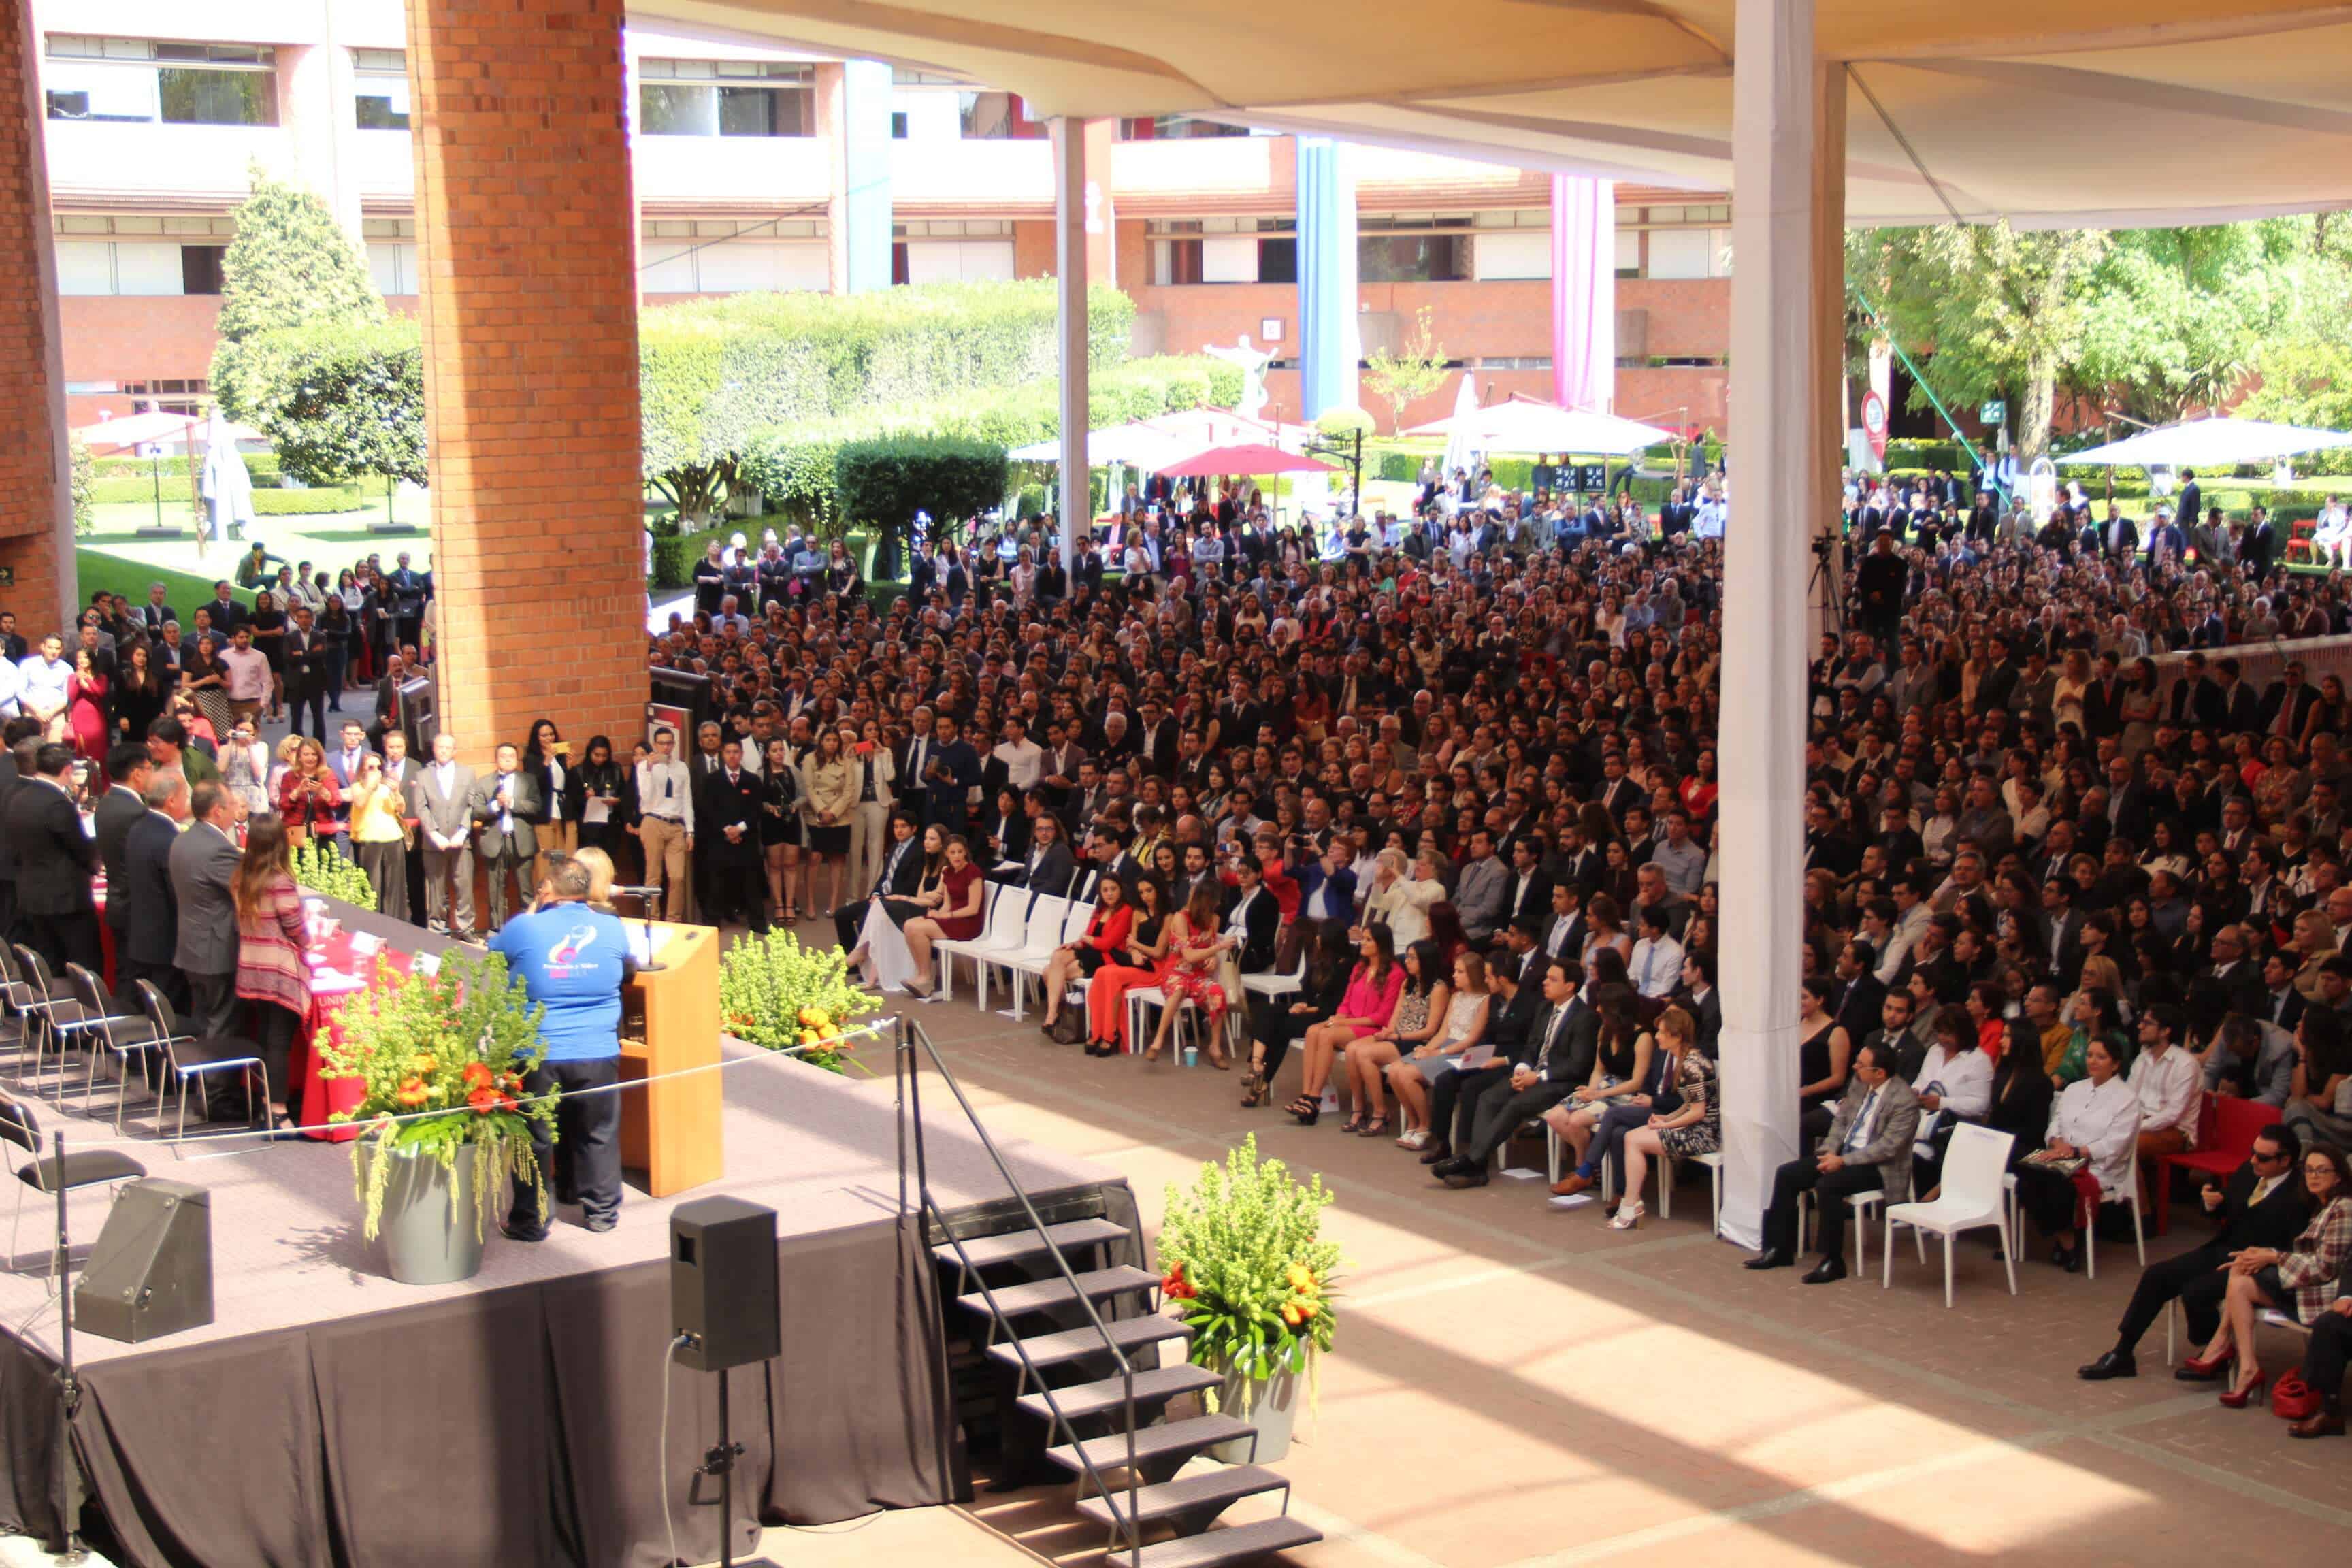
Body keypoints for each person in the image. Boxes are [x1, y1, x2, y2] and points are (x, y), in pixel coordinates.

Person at [2078, 1122, 2310, 1380]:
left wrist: (2263, 1257)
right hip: (2224, 1248)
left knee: (2196, 1291)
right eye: (2253, 1152)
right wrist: (2213, 1203)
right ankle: (2122, 1353)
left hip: (2255, 1265)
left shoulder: (2300, 1193)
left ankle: (2214, 1351)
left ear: (2285, 1161)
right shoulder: (2250, 1170)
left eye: (2263, 1158)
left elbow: (2296, 1246)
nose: (2254, 1160)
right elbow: (2230, 1205)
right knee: (2157, 1275)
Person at [492, 854, 634, 1237]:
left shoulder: (524, 926)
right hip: (597, 1048)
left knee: (534, 1135)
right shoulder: (611, 927)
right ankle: (602, 1214)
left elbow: (493, 958)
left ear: (548, 889)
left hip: (537, 1050)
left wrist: (533, 912)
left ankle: (532, 1219)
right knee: (598, 1132)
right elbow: (628, 969)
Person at [2178, 1144, 2352, 1409]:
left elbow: (2325, 1268)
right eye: (2309, 1170)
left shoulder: (2344, 1209)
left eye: (2322, 1171)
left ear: (2338, 1176)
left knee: (2243, 1268)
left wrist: (2273, 1257)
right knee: (2243, 1269)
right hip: (2307, 1284)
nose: (2313, 1176)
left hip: (2324, 1293)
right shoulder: (2321, 1204)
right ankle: (2245, 1365)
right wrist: (2260, 1256)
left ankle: (2225, 1349)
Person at [1747, 1041, 1921, 1284]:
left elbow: (1888, 1148)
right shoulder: (1861, 1083)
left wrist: (1843, 1161)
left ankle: (1832, 1260)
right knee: (1787, 1174)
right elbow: (1841, 1121)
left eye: (1861, 1064)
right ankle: (1778, 1249)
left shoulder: (1904, 1101)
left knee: (1829, 1185)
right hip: (1841, 1154)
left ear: (1879, 1073)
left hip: (1879, 1166)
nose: (1854, 1067)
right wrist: (1829, 1151)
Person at [1439, 953, 1595, 1184]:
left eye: (1552, 979)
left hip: (1559, 1082)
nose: (1544, 982)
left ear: (1570, 986)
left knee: (1515, 1105)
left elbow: (1578, 1064)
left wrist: (1539, 1077)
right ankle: (1478, 1168)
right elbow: (1531, 1046)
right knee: (1489, 1097)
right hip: (1533, 1074)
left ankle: (1471, 1161)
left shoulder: (1585, 1017)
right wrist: (1522, 1068)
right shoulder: (1545, 1008)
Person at [2014, 1036, 2144, 1273]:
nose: (2093, 1061)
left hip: (2097, 1165)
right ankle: (2065, 1236)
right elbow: (2056, 1123)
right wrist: (2057, 1143)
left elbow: (2115, 1145)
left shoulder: (2127, 1099)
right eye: (2090, 1055)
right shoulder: (2074, 1089)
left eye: (2101, 1057)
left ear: (2115, 1064)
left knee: (2055, 1182)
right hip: (2062, 1156)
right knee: (2023, 1170)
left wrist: (2073, 1152)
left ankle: (2067, 1242)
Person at [1601, 1004, 1718, 1230]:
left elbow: (1698, 1111)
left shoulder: (1692, 1065)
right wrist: (1665, 1120)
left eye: (1663, 1033)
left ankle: (1630, 1204)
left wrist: (1668, 1124)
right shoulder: (1686, 1059)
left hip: (1703, 1134)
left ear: (1677, 1036)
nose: (1657, 1037)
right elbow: (1688, 1104)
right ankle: (1630, 1202)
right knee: (1631, 1137)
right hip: (1693, 1126)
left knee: (1633, 1139)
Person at [229, 813, 306, 1130]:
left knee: (264, 1036)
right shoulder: (279, 881)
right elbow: (296, 928)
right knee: (278, 1042)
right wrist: (309, 942)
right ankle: (278, 1112)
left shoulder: (241, 876)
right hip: (277, 970)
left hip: (251, 965)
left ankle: (264, 1104)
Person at [7, 742, 101, 975]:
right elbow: (79, 846)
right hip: (65, 898)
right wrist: (94, 864)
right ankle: (86, 1011)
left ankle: (53, 1010)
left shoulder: (19, 797)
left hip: (33, 894)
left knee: (50, 962)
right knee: (83, 962)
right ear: (68, 770)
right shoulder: (57, 804)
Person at [169, 780, 245, 1039]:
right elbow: (247, 891)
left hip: (191, 946)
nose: (237, 810)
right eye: (233, 805)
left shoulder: (183, 839)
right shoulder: (218, 850)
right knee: (219, 1025)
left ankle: (199, 1076)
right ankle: (215, 1081)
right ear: (218, 810)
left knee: (202, 1019)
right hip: (215, 951)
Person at [118, 770, 190, 1009]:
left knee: (146, 1009)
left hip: (140, 934)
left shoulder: (137, 826)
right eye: (184, 795)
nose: (187, 801)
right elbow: (177, 893)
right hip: (164, 942)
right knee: (164, 1013)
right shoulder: (168, 839)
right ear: (171, 800)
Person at [1036, 876, 1133, 1039]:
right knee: (1058, 955)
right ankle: (1053, 1014)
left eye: (1113, 889)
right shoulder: (1100, 910)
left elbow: (1107, 944)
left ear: (1121, 890)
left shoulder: (1126, 911)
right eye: (1105, 890)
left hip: (1107, 957)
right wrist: (1075, 944)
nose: (1109, 894)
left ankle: (1056, 1013)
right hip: (1091, 950)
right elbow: (1087, 937)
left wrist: (1086, 939)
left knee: (1048, 973)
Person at [900, 833, 983, 1000]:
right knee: (909, 925)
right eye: (953, 852)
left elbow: (973, 908)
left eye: (960, 852)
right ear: (946, 853)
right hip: (951, 918)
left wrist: (947, 916)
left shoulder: (974, 873)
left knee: (919, 929)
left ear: (965, 852)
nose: (957, 856)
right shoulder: (947, 871)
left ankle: (926, 979)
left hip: (967, 922)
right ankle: (921, 974)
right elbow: (947, 902)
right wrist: (939, 914)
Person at [412, 731, 478, 940]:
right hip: (434, 843)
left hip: (461, 839)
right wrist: (433, 833)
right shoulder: (423, 776)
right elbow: (421, 808)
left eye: (448, 747)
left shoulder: (467, 774)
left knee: (464, 886)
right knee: (435, 889)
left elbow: (472, 805)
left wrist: (463, 830)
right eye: (440, 746)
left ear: (455, 751)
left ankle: (465, 928)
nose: (443, 751)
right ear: (434, 749)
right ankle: (437, 929)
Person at [470, 742, 540, 933]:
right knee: (495, 888)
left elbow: (536, 806)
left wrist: (514, 803)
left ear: (516, 759)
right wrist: (495, 806)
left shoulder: (529, 780)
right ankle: (496, 929)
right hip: (495, 840)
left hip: (521, 841)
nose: (508, 759)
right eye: (503, 756)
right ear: (496, 759)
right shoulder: (484, 782)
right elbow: (476, 812)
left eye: (511, 756)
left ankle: (528, 928)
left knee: (525, 887)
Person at [630, 726, 694, 923]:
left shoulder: (681, 767)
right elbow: (646, 799)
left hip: (676, 824)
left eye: (670, 743)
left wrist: (690, 830)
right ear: (655, 745)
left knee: (677, 876)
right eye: (662, 743)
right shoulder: (644, 767)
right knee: (653, 875)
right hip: (653, 820)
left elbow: (686, 800)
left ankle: (673, 920)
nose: (666, 747)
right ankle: (653, 918)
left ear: (674, 744)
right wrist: (649, 769)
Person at [347, 751, 411, 921]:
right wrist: (369, 786)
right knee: (373, 886)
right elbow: (360, 802)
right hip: (370, 840)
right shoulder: (358, 787)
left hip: (392, 838)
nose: (375, 771)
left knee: (394, 887)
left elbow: (401, 808)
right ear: (362, 770)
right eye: (370, 767)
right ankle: (374, 923)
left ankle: (395, 923)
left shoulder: (386, 787)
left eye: (378, 767)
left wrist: (396, 792)